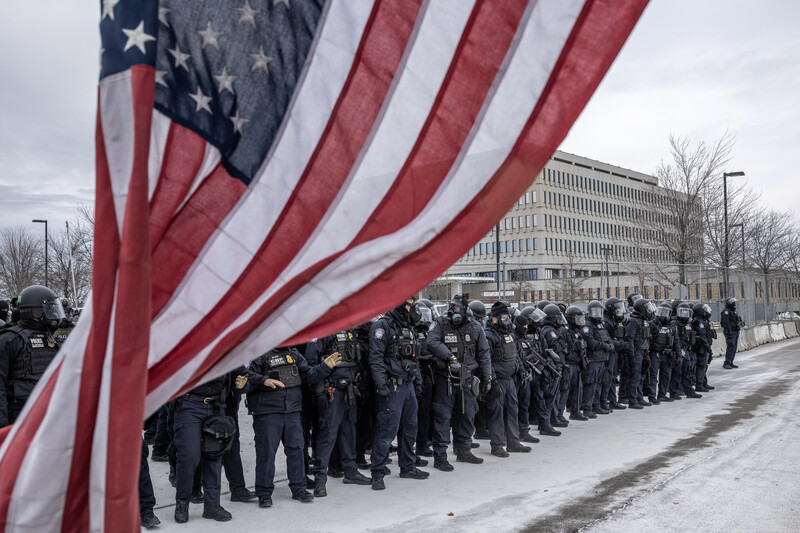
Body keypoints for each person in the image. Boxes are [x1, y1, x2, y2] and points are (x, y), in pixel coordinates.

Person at [242, 346, 341, 508]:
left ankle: (299, 488)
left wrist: (324, 367)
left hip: (293, 410)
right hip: (267, 411)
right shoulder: (256, 352)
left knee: (296, 450)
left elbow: (308, 375)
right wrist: (262, 380)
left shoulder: (292, 352)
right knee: (266, 453)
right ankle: (264, 493)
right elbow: (243, 376)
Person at [426, 295, 493, 471]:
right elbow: (432, 342)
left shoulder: (475, 327)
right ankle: (440, 457)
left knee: (467, 415)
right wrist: (450, 358)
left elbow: (484, 354)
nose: (455, 311)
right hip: (446, 378)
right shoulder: (440, 323)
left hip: (468, 378)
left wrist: (488, 377)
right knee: (442, 417)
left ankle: (464, 450)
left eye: (458, 308)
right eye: (453, 307)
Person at [369, 297, 430, 490]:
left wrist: (418, 382)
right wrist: (381, 384)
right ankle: (377, 473)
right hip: (392, 386)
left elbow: (415, 357)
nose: (413, 308)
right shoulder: (383, 326)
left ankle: (407, 466)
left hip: (408, 385)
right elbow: (376, 358)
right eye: (409, 304)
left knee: (410, 428)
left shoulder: (410, 327)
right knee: (387, 431)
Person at [305, 328, 372, 497]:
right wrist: (319, 391)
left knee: (349, 432)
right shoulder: (322, 330)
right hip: (332, 391)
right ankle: (320, 479)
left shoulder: (350, 331)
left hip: (350, 389)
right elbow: (310, 367)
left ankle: (350, 471)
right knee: (327, 436)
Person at [173, 370, 245, 523]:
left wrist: (245, 382)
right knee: (189, 456)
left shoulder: (223, 350)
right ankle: (182, 503)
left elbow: (242, 371)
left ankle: (212, 506)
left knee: (214, 455)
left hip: (216, 406)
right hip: (189, 405)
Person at [0, 285, 65, 427]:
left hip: (45, 415)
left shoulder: (49, 340)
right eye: (49, 309)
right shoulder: (10, 340)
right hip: (17, 417)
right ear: (35, 312)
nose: (54, 314)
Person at [483, 302, 530, 457]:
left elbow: (516, 356)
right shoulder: (489, 335)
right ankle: (497, 445)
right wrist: (492, 380)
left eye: (508, 317)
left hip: (510, 380)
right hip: (498, 380)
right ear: (495, 319)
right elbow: (486, 360)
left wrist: (521, 372)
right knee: (496, 412)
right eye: (504, 317)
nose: (507, 320)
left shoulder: (509, 334)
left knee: (512, 410)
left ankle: (513, 443)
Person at [579, 301, 614, 418]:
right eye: (594, 311)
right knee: (590, 384)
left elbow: (608, 338)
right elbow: (591, 342)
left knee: (599, 383)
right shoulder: (587, 325)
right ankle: (587, 408)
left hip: (602, 359)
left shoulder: (601, 324)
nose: (597, 314)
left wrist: (609, 346)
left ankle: (596, 405)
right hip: (592, 359)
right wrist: (604, 346)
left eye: (599, 311)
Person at [538, 304, 567, 436]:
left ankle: (550, 420)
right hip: (551, 368)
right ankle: (546, 423)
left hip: (556, 367)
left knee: (554, 395)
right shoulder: (548, 331)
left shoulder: (553, 330)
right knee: (549, 396)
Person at [624, 297, 655, 409]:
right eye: (646, 308)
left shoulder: (644, 321)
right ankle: (632, 400)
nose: (649, 310)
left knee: (642, 376)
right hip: (636, 352)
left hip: (644, 351)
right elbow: (629, 339)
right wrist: (631, 355)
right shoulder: (633, 321)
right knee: (635, 376)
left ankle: (639, 397)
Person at [601, 297, 628, 411]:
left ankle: (612, 400)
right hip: (610, 352)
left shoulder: (613, 320)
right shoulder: (606, 322)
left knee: (612, 377)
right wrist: (621, 344)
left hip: (615, 352)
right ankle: (607, 400)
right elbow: (607, 339)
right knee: (609, 376)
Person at [648, 303, 678, 404]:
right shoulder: (652, 324)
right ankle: (652, 396)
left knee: (666, 375)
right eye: (661, 311)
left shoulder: (672, 326)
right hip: (655, 353)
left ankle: (662, 394)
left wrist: (677, 354)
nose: (663, 315)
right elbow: (648, 339)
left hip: (667, 354)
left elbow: (676, 341)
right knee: (653, 376)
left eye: (666, 312)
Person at [692, 303, 714, 393]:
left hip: (705, 346)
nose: (707, 312)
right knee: (701, 365)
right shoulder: (698, 322)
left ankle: (704, 382)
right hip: (701, 347)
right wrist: (708, 347)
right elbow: (702, 336)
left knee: (704, 365)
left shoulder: (704, 321)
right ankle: (699, 385)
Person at [721, 297, 743, 369]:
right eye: (733, 303)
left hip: (735, 331)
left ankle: (730, 362)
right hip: (730, 332)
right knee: (731, 346)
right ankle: (727, 362)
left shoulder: (733, 311)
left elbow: (738, 320)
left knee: (734, 347)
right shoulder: (726, 312)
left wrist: (740, 323)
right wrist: (729, 331)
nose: (734, 304)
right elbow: (725, 322)